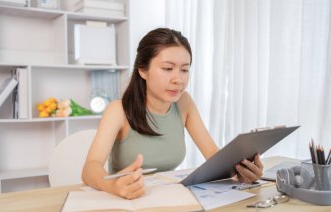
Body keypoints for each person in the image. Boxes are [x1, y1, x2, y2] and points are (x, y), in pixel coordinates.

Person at [82, 28, 263, 200]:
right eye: (168, 69)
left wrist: (239, 171)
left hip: (169, 198)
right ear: (143, 70)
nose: (179, 79)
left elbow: (214, 157)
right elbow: (90, 169)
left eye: (184, 70)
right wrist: (114, 186)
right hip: (127, 201)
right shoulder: (118, 110)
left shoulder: (184, 103)